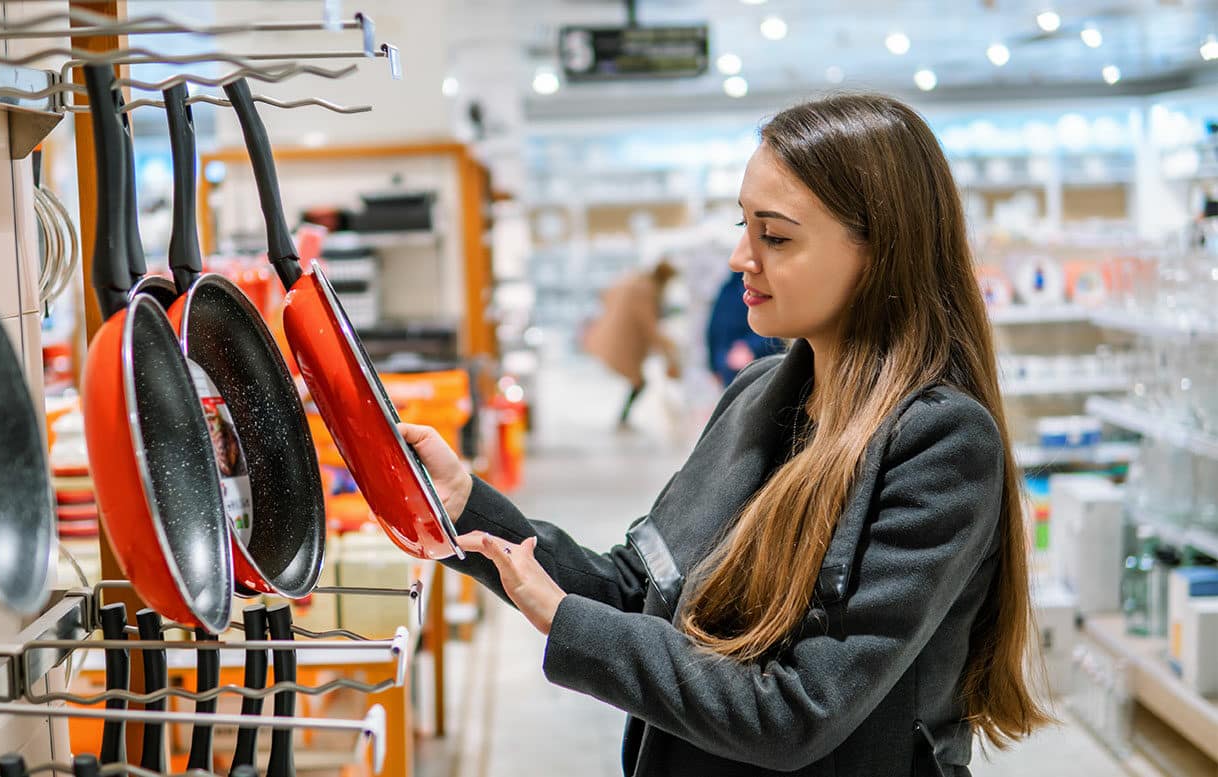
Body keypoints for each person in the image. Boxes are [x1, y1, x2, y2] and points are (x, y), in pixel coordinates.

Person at [400, 93, 1049, 776]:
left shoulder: (938, 442)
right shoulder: (756, 397)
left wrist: (567, 621)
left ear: (879, 251)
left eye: (776, 235)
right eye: (745, 225)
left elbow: (800, 710)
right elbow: (636, 586)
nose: (743, 256)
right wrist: (462, 504)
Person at [581, 259, 681, 427]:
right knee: (638, 381)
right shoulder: (645, 290)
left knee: (638, 381)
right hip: (622, 341)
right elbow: (649, 326)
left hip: (612, 333)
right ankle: (623, 418)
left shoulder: (634, 280)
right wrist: (669, 353)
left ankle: (623, 417)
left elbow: (606, 295)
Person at [706, 270, 784, 385]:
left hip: (757, 366)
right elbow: (714, 327)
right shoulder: (729, 287)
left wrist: (751, 347)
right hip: (727, 365)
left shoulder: (768, 286)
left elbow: (782, 329)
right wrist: (713, 366)